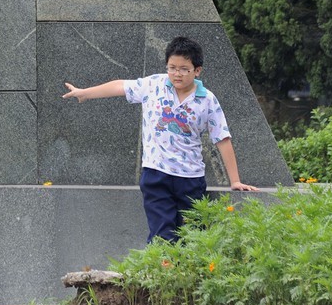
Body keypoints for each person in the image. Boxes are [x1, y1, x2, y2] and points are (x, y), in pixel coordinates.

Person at [62, 35, 258, 242]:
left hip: (190, 179)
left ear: (197, 70)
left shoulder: (207, 99)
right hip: (156, 175)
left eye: (184, 69)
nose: (177, 74)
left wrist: (234, 180)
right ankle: (161, 271)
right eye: (172, 67)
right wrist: (85, 93)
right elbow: (121, 86)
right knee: (162, 237)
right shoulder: (154, 85)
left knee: (193, 239)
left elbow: (222, 138)